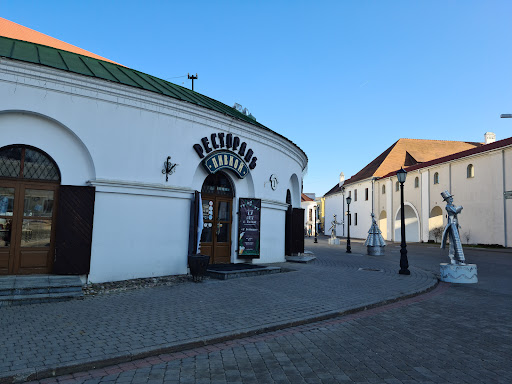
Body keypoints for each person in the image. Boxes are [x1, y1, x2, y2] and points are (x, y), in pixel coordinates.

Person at [440, 191, 465, 264]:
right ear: (447, 200)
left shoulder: (453, 205)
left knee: (456, 241)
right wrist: (460, 207)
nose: (451, 199)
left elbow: (455, 215)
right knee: (454, 242)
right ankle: (453, 257)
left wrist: (458, 224)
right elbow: (455, 211)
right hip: (451, 225)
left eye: (451, 197)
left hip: (455, 225)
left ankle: (457, 258)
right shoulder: (448, 207)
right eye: (449, 198)